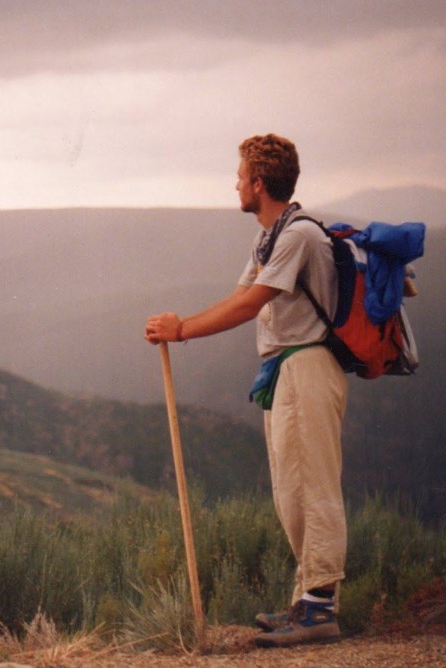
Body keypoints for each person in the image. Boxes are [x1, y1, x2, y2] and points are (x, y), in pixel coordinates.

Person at [144, 133, 348, 648]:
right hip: (286, 370)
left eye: (239, 176)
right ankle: (307, 604)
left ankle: (320, 610)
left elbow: (251, 302)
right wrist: (181, 324)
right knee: (291, 490)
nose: (235, 184)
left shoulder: (297, 235)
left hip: (307, 366)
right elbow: (241, 295)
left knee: (312, 486)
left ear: (259, 183)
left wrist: (183, 329)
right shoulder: (271, 235)